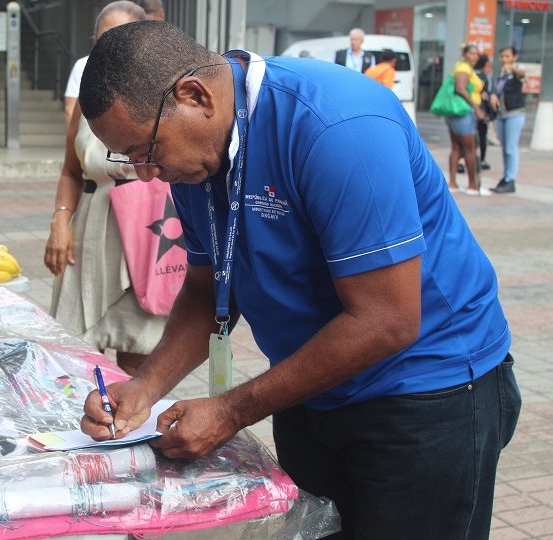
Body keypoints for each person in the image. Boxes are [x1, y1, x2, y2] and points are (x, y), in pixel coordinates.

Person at [78, 21, 519, 539]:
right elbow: (205, 288)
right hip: (311, 384)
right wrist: (146, 387)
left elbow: (387, 320)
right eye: (127, 157)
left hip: (426, 390)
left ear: (195, 95)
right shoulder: (193, 160)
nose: (145, 173)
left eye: (145, 149)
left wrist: (230, 410)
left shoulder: (337, 125)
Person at [45, 1, 165, 376]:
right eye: (101, 42)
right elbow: (70, 170)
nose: (108, 53)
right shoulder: (86, 101)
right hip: (91, 227)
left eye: (119, 41)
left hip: (144, 229)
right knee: (75, 352)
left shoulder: (161, 99)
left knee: (137, 353)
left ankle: (131, 427)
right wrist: (60, 221)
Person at [63, 0, 165, 128]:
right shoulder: (86, 91)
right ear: (95, 40)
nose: (113, 48)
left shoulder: (161, 89)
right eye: (105, 38)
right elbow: (71, 122)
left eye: (124, 40)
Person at [445, 44, 489, 196]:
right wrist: (476, 108)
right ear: (464, 54)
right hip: (463, 112)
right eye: (472, 53)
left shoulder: (461, 66)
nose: (475, 57)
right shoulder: (464, 68)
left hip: (458, 112)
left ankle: (453, 182)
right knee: (470, 149)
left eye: (477, 54)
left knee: (457, 148)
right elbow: (461, 88)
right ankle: (472, 184)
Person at [490, 46, 526, 194]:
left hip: (514, 114)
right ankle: (506, 177)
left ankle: (510, 179)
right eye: (502, 57)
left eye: (507, 56)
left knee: (511, 149)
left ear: (514, 57)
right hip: (501, 115)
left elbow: (522, 74)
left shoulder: (516, 71)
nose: (504, 59)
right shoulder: (501, 74)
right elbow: (497, 91)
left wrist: (512, 68)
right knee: (505, 149)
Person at [475, 54, 495, 171]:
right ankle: (481, 160)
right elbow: (488, 96)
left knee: (467, 140)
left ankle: (462, 162)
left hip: (469, 112)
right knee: (482, 138)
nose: (490, 68)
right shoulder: (485, 77)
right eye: (488, 66)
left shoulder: (471, 73)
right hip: (480, 112)